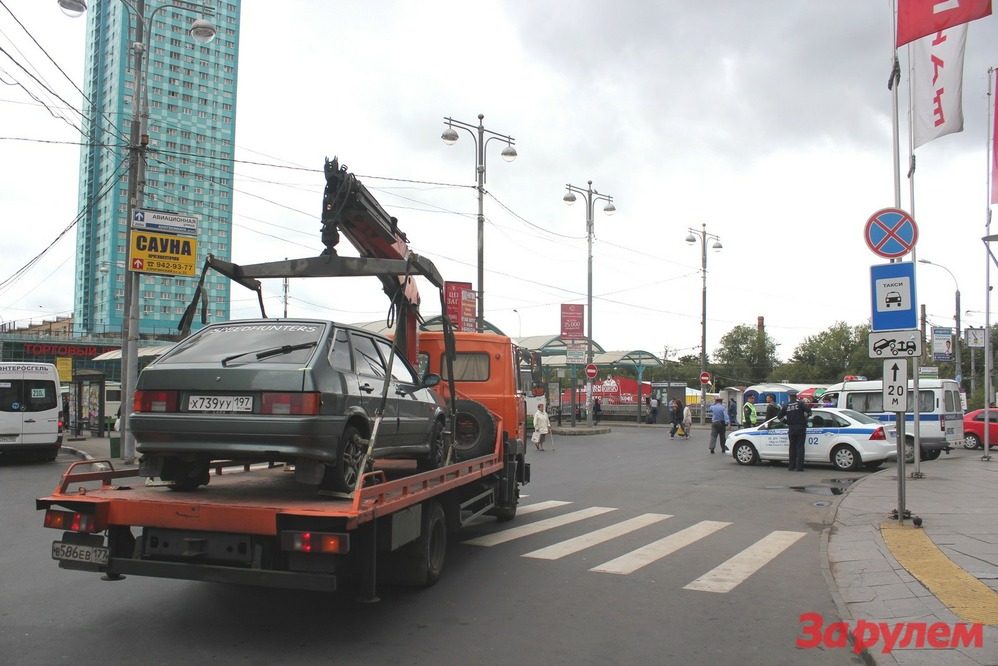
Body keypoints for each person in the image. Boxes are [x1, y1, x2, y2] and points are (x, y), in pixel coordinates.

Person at [778, 392, 812, 471]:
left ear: (790, 397)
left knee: (792, 448)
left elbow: (779, 416)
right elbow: (809, 411)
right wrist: (806, 417)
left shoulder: (786, 406)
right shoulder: (800, 404)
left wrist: (786, 422)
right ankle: (799, 467)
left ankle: (791, 466)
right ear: (796, 396)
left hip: (791, 428)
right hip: (800, 427)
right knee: (800, 447)